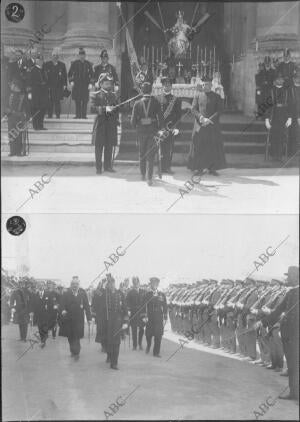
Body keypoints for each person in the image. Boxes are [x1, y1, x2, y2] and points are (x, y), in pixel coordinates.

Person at [259, 266, 299, 401]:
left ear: (297, 277)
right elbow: (277, 311)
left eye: (289, 276)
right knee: (292, 365)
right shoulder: (290, 292)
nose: (287, 279)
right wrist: (262, 322)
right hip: (288, 335)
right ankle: (294, 393)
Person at [191, 76, 226, 176]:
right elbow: (193, 109)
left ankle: (212, 168)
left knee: (212, 146)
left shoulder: (216, 96)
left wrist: (209, 120)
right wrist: (201, 118)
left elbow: (219, 111)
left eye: (206, 84)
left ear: (211, 85)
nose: (204, 86)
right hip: (200, 124)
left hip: (212, 125)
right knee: (199, 146)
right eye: (203, 84)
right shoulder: (197, 95)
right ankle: (199, 168)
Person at [131, 81, 164, 186]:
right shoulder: (156, 102)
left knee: (142, 153)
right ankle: (149, 178)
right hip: (153, 131)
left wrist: (137, 127)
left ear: (141, 90)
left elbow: (132, 122)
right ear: (151, 91)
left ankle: (142, 175)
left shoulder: (137, 103)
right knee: (151, 154)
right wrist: (160, 129)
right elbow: (161, 118)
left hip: (141, 131)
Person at [93, 275, 128, 369]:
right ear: (107, 285)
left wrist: (125, 321)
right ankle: (109, 355)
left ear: (115, 283)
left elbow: (125, 308)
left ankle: (114, 362)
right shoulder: (104, 293)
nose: (111, 285)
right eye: (109, 283)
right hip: (106, 322)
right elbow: (96, 293)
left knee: (116, 342)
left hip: (117, 321)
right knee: (107, 341)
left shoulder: (120, 293)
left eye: (113, 283)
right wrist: (101, 283)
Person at [91, 73, 119, 174]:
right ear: (101, 84)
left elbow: (117, 108)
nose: (108, 86)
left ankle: (108, 167)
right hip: (100, 125)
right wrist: (105, 109)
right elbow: (92, 109)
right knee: (99, 147)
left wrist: (116, 117)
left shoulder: (114, 95)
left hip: (111, 125)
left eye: (109, 84)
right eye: (106, 83)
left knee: (109, 146)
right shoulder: (96, 95)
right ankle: (98, 168)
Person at [58, 276, 91, 360]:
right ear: (71, 285)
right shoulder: (66, 294)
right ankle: (73, 351)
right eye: (73, 284)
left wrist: (89, 318)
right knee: (70, 337)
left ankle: (77, 352)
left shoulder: (83, 294)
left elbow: (87, 307)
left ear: (79, 285)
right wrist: (63, 311)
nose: (75, 285)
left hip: (79, 320)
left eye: (76, 284)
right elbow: (61, 305)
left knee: (77, 337)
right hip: (69, 320)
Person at [156, 76, 182, 174]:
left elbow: (179, 115)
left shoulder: (176, 99)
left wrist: (176, 127)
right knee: (159, 147)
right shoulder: (157, 98)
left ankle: (167, 167)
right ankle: (160, 167)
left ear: (171, 87)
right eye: (165, 85)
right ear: (162, 86)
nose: (167, 86)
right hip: (159, 127)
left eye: (169, 85)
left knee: (169, 148)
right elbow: (155, 114)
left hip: (170, 127)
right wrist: (157, 127)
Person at [265, 72, 292, 161]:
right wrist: (266, 119)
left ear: (283, 81)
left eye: (281, 79)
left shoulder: (287, 90)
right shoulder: (270, 90)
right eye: (277, 79)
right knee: (273, 136)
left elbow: (290, 105)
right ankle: (274, 155)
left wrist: (289, 117)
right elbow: (266, 105)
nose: (279, 81)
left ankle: (280, 156)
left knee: (281, 136)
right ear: (274, 81)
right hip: (273, 115)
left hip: (283, 116)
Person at [144, 277, 168, 357]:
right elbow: (143, 306)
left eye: (156, 283)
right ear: (151, 284)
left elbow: (165, 305)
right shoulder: (147, 294)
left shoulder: (161, 294)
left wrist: (165, 316)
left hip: (158, 317)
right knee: (148, 334)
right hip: (150, 317)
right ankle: (148, 345)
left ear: (158, 284)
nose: (155, 285)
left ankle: (156, 352)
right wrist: (144, 316)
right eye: (153, 283)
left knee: (158, 335)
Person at [68, 47, 93, 119]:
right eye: (80, 55)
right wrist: (71, 81)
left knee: (85, 101)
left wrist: (91, 83)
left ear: (85, 56)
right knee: (77, 101)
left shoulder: (88, 64)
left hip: (85, 85)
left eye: (83, 55)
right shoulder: (75, 63)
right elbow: (70, 74)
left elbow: (92, 75)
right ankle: (78, 115)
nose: (82, 56)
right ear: (79, 56)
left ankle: (84, 115)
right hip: (77, 85)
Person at [6, 77, 27, 156]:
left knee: (18, 135)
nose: (11, 86)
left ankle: (18, 151)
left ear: (16, 86)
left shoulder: (23, 96)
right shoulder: (10, 94)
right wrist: (6, 114)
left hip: (19, 117)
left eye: (12, 85)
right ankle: (12, 151)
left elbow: (26, 107)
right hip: (11, 117)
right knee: (11, 134)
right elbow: (6, 106)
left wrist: (26, 117)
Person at [44, 48, 67, 118]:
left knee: (57, 102)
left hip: (58, 86)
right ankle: (50, 115)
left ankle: (58, 115)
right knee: (50, 102)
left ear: (58, 56)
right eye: (54, 55)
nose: (55, 56)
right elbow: (44, 75)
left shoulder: (62, 65)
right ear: (51, 56)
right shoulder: (47, 64)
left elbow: (64, 76)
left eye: (56, 55)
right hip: (49, 87)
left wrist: (65, 85)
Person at [27, 54, 48, 130]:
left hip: (43, 94)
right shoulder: (33, 70)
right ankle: (36, 126)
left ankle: (40, 125)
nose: (41, 62)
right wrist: (29, 93)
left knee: (42, 109)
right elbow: (29, 82)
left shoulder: (44, 70)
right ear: (36, 61)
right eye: (39, 60)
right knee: (35, 110)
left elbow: (46, 81)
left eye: (42, 60)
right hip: (35, 94)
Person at [126, 277, 147, 350]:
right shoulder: (130, 292)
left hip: (141, 314)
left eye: (137, 283)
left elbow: (146, 303)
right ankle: (134, 345)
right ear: (133, 283)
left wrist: (145, 314)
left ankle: (140, 344)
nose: (136, 284)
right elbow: (127, 303)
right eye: (134, 283)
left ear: (139, 283)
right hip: (133, 313)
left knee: (141, 329)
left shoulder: (143, 292)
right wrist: (128, 310)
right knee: (134, 330)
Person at [31, 281, 50, 348]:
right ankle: (43, 340)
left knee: (45, 328)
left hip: (46, 315)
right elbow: (32, 304)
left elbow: (51, 304)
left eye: (42, 285)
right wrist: (32, 312)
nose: (41, 286)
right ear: (38, 286)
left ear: (44, 286)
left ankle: (43, 341)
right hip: (38, 315)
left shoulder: (48, 294)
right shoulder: (35, 295)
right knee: (40, 328)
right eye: (39, 285)